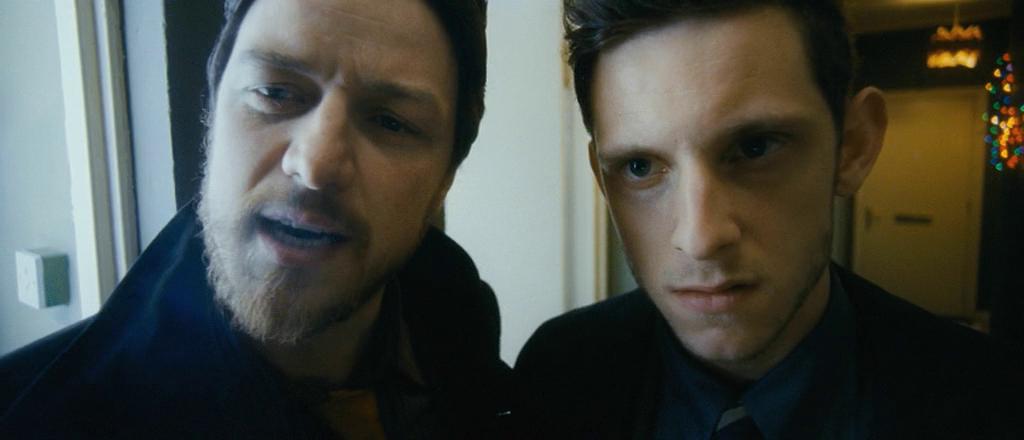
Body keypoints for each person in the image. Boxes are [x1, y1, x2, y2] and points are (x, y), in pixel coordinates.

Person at [0, 0, 512, 438]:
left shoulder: (460, 325)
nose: (314, 166)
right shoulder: (38, 419)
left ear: (444, 179)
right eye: (274, 92)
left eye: (391, 121)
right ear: (212, 113)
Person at [516, 0, 1024, 438]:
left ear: (852, 146)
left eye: (755, 147)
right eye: (639, 167)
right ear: (603, 181)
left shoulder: (988, 399)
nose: (700, 237)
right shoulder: (559, 373)